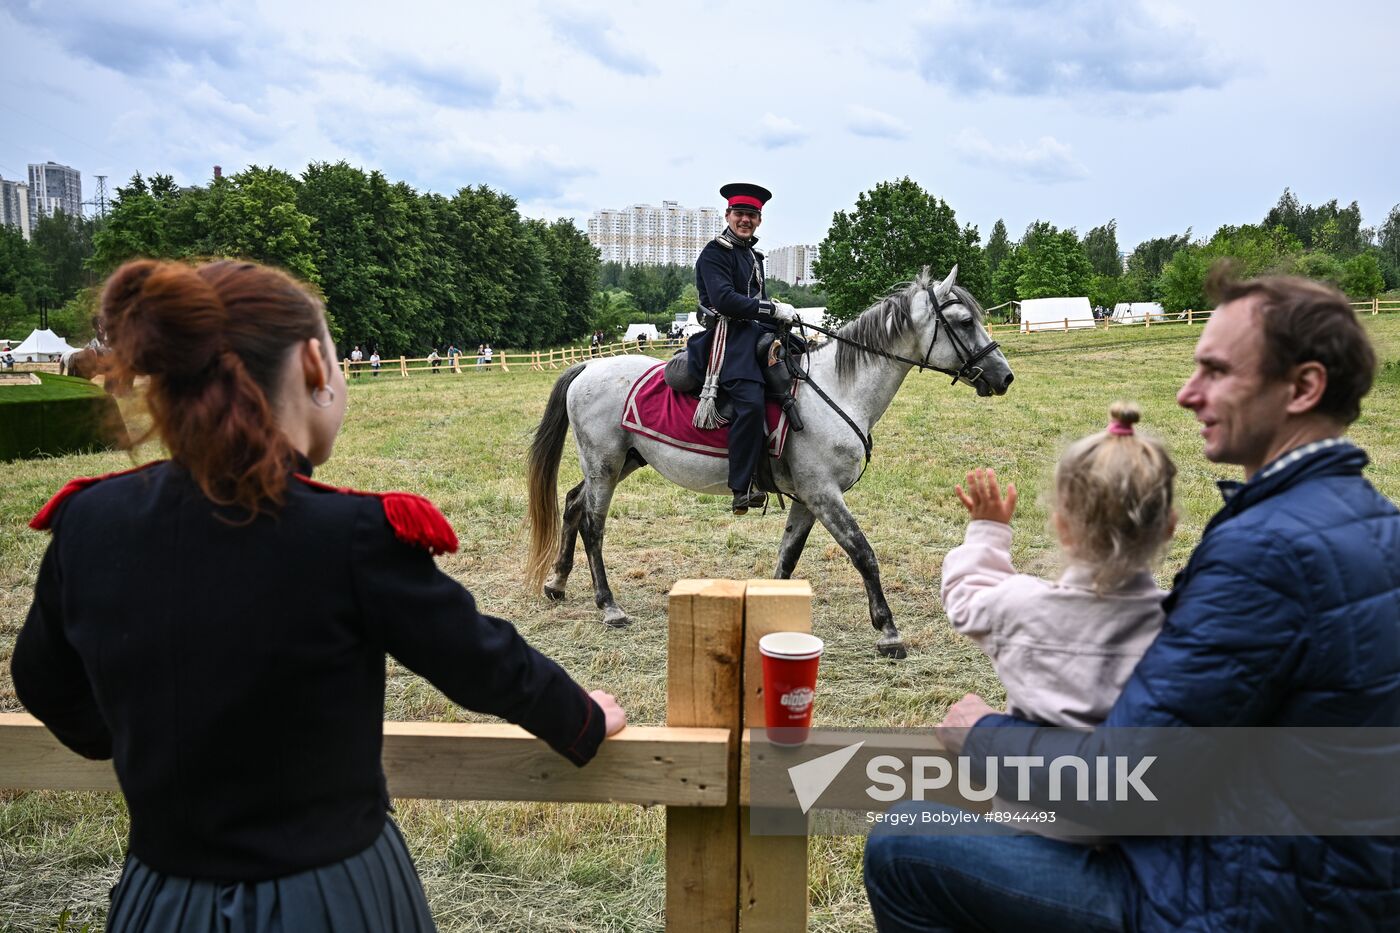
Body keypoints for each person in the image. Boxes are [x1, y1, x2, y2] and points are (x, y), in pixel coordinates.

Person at [11, 258, 628, 932]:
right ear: (313, 366)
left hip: (163, 900)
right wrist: (582, 718)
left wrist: (127, 736)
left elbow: (39, 679)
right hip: (333, 899)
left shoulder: (89, 522)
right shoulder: (352, 535)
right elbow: (483, 660)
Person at [864, 269, 1399, 931]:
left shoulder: (1270, 550)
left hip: (1229, 896)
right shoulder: (1373, 521)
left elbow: (1119, 783)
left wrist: (982, 734)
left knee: (904, 841)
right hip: (1318, 877)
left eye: (1215, 370)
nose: (1186, 392)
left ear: (1304, 387)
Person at [942, 402, 1176, 731]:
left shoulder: (1019, 605)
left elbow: (965, 595)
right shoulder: (1182, 625)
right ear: (1169, 525)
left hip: (1030, 775)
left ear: (1061, 525)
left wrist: (987, 531)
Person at [683, 182, 798, 515]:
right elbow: (726, 301)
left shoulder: (752, 254)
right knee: (749, 403)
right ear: (728, 215)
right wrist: (771, 309)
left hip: (754, 332)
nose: (745, 220)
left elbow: (757, 301)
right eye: (740, 214)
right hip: (727, 338)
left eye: (751, 215)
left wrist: (781, 317)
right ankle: (742, 486)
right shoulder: (715, 252)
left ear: (759, 220)